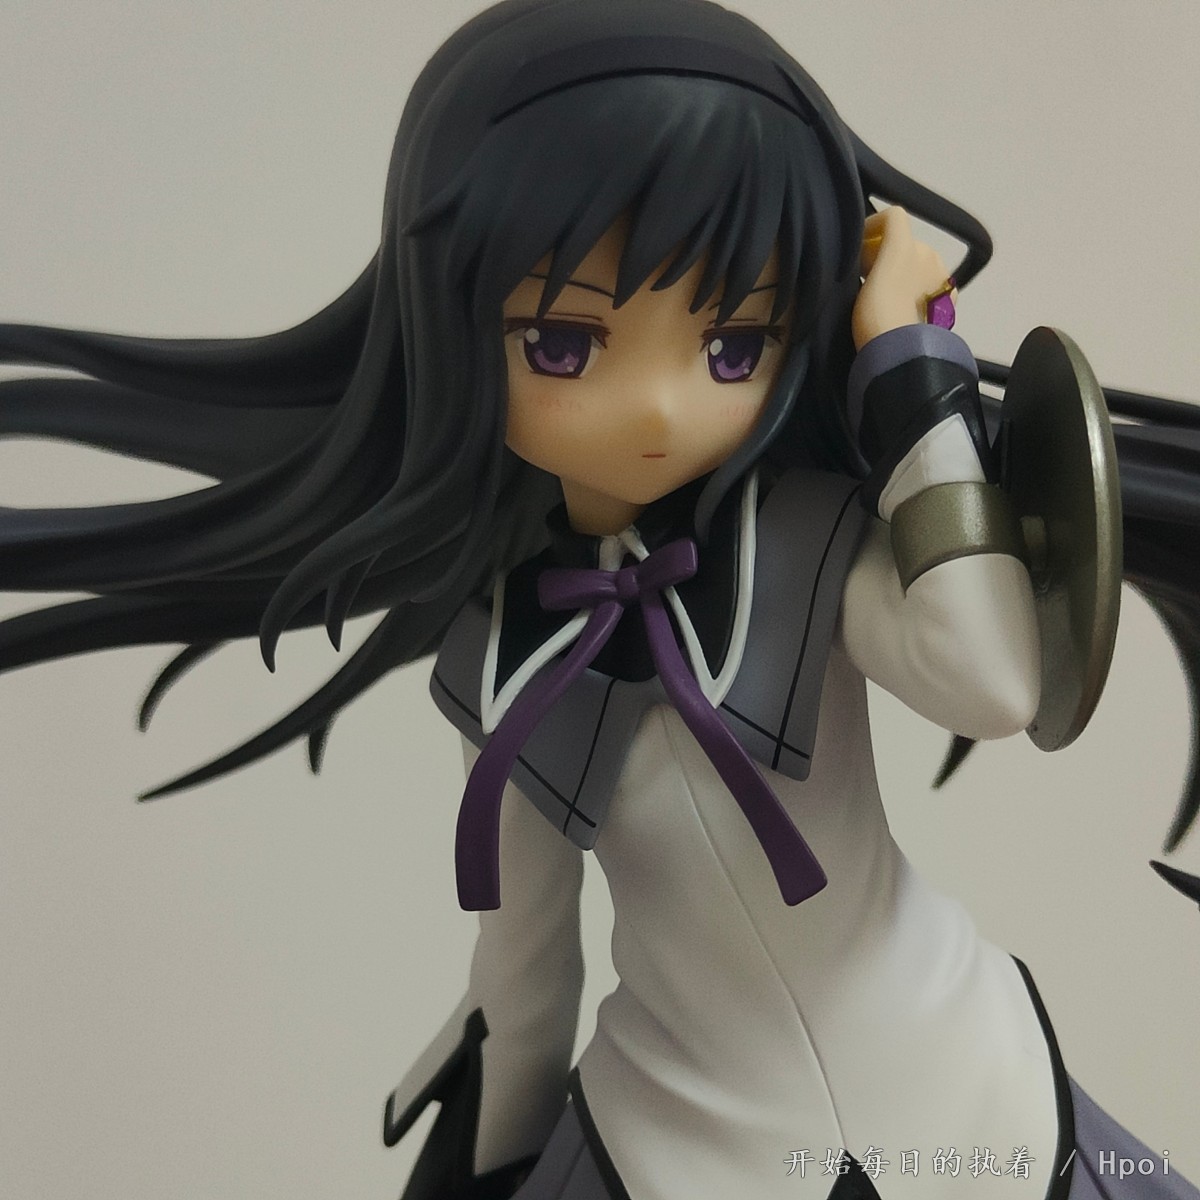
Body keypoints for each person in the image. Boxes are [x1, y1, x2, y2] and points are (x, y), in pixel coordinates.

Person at [2, 2, 1197, 1196]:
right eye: (566, 345)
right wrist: (486, 1158)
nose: (661, 410)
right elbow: (524, 960)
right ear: (454, 327)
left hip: (965, 1091)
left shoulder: (807, 539)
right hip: (674, 1138)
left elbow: (994, 683)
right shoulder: (503, 651)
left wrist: (913, 378)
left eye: (733, 346)